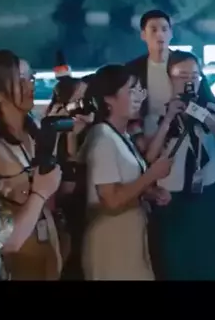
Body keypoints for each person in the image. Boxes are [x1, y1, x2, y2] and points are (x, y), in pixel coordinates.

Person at [0, 50, 66, 280]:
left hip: (47, 255)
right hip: (14, 264)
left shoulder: (34, 134)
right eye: (20, 80)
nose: (30, 85)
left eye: (31, 78)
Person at [80, 65, 172, 280]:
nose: (139, 97)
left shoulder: (120, 135)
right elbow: (110, 200)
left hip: (128, 237)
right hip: (112, 240)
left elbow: (124, 184)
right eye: (132, 90)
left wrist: (150, 193)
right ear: (109, 99)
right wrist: (151, 176)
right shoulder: (103, 139)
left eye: (140, 90)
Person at [144, 51, 215, 280]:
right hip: (171, 197)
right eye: (182, 76)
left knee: (207, 261)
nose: (190, 81)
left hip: (207, 194)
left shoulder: (212, 110)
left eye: (195, 76)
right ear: (169, 77)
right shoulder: (156, 115)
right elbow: (150, 156)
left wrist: (198, 112)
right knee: (176, 263)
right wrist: (169, 118)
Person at [125, 10, 215, 142]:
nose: (160, 34)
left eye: (164, 29)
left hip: (185, 135)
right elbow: (126, 110)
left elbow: (207, 102)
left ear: (171, 33)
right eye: (153, 30)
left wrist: (207, 120)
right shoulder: (133, 69)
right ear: (143, 35)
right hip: (148, 138)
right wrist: (138, 137)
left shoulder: (186, 64)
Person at [44, 74, 93, 280]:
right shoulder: (53, 130)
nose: (82, 106)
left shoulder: (89, 130)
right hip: (67, 218)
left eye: (85, 99)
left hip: (84, 217)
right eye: (77, 100)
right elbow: (66, 187)